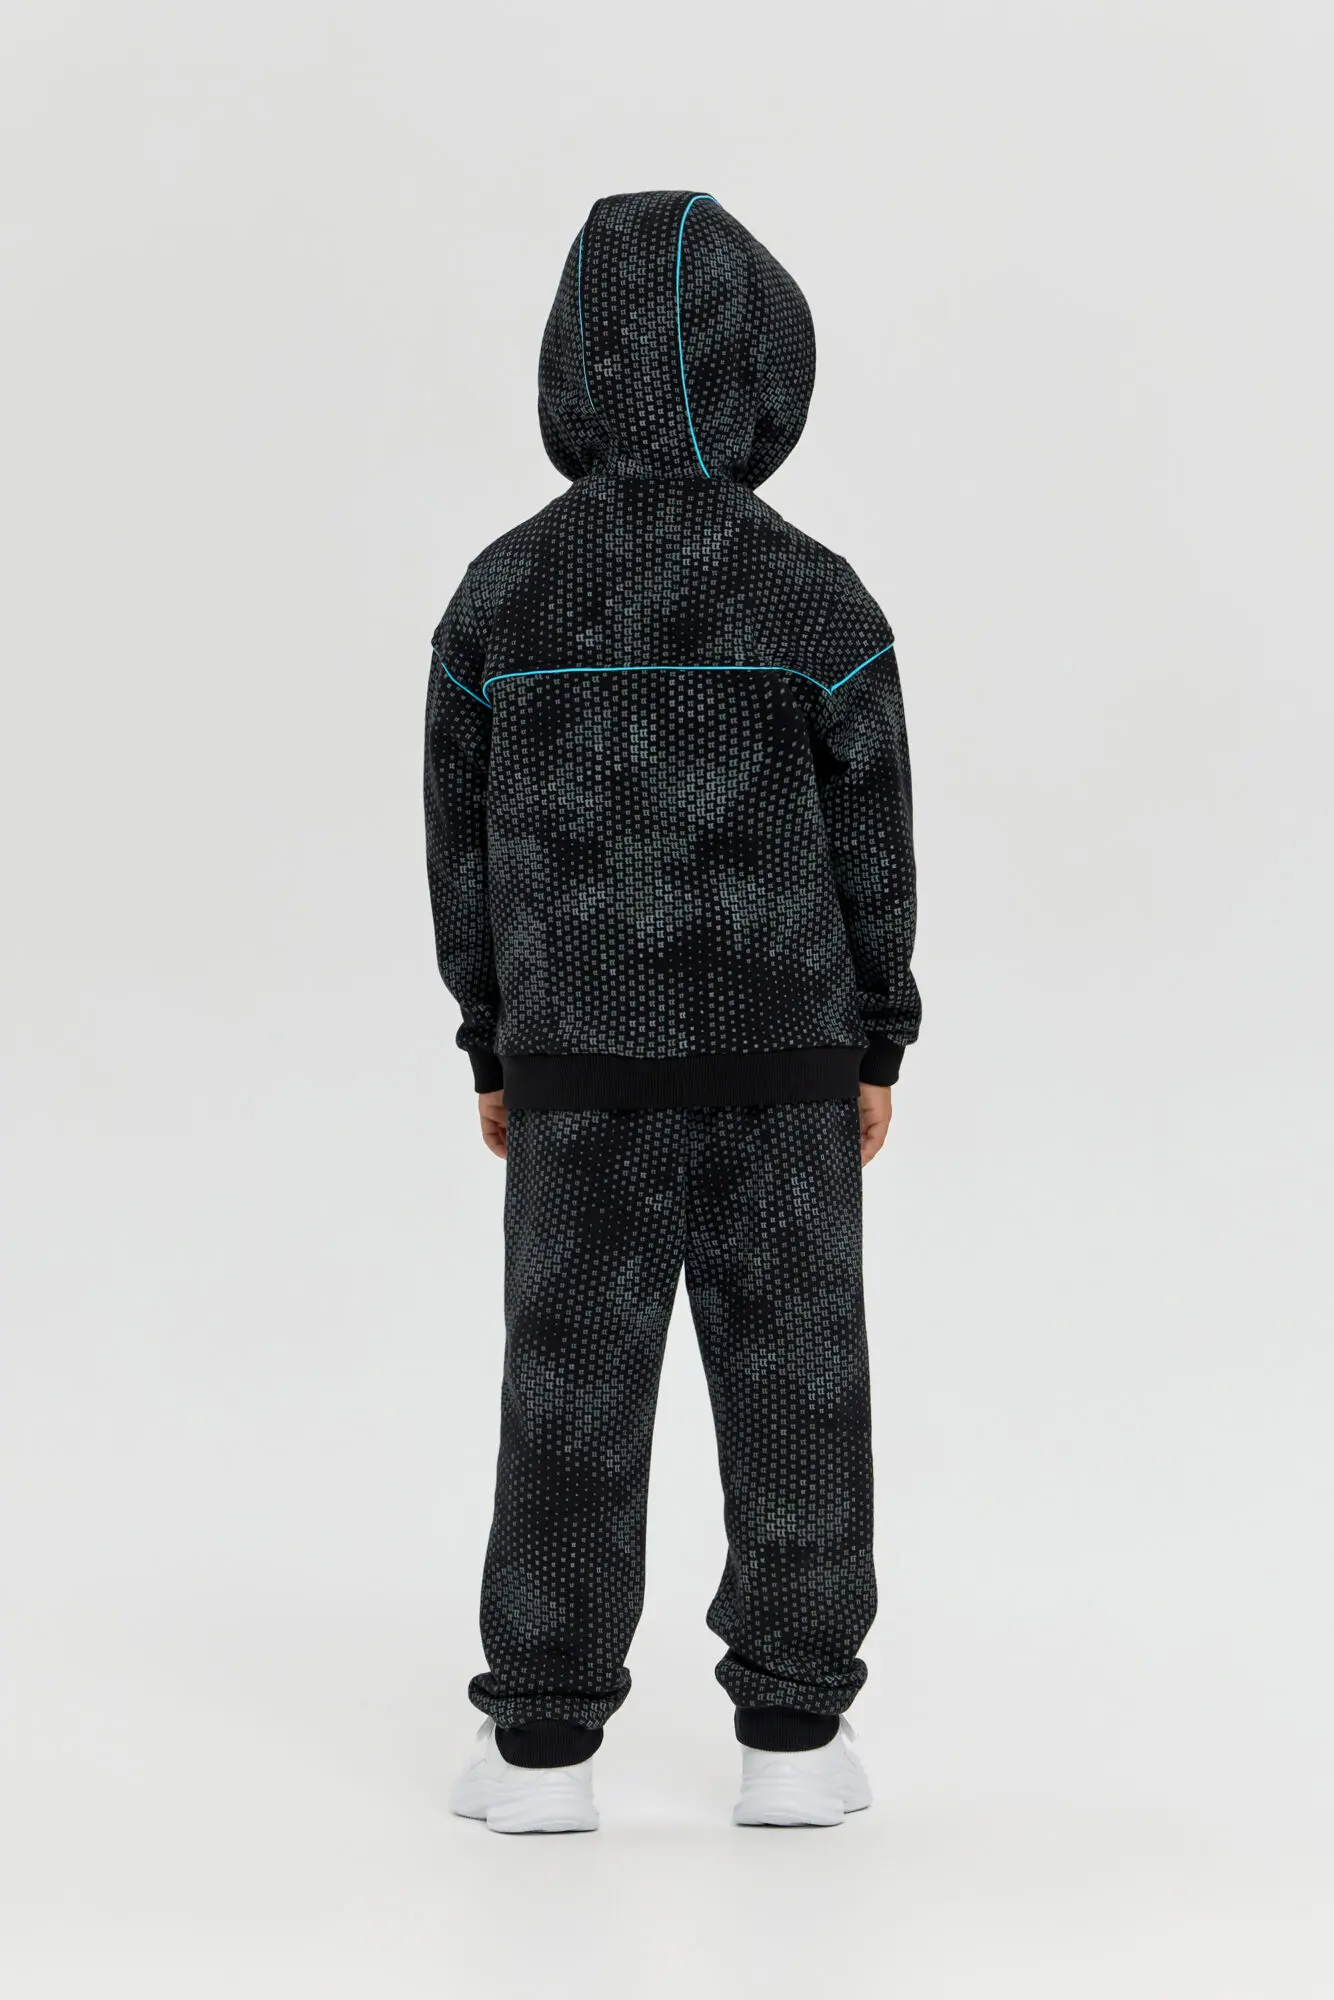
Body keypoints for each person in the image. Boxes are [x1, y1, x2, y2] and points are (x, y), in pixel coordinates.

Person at [424, 189, 920, 1834]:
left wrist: (491, 1038)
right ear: (768, 369)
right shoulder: (815, 597)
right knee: (798, 1391)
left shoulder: (502, 597)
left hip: (577, 1073)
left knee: (566, 1393)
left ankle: (541, 1755)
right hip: (785, 1068)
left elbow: (456, 844)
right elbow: (873, 840)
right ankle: (793, 1741)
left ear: (567, 368)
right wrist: (876, 1033)